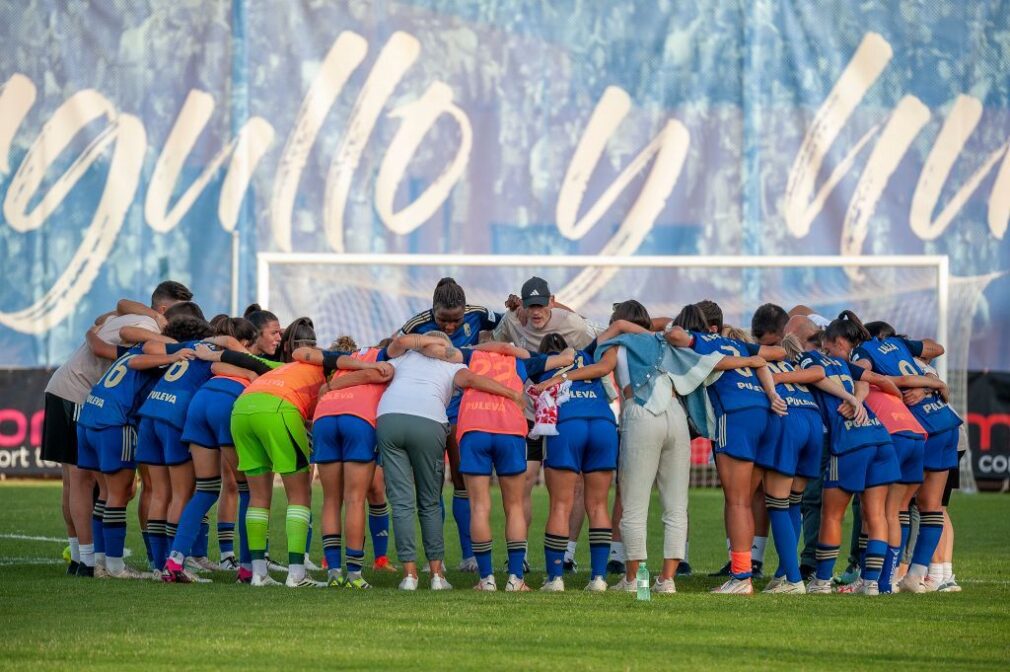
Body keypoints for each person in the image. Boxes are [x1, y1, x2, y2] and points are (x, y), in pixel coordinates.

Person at [562, 302, 761, 594]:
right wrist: (750, 362)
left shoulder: (617, 343)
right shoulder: (668, 341)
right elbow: (711, 363)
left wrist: (562, 377)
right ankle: (666, 581)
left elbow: (600, 365)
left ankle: (636, 582)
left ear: (620, 322)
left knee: (634, 504)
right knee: (676, 505)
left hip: (640, 415)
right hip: (676, 418)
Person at [42, 281, 192, 576]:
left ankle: (83, 558)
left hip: (68, 389)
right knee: (84, 481)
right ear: (164, 311)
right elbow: (125, 343)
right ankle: (90, 561)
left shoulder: (137, 315)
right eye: (179, 313)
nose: (182, 320)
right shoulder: (149, 326)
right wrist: (172, 349)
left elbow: (111, 314)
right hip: (79, 393)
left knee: (76, 481)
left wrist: (92, 334)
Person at [231, 318, 388, 588]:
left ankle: (257, 573)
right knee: (300, 494)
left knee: (257, 496)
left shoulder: (291, 366)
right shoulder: (327, 368)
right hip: (278, 407)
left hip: (242, 408)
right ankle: (296, 574)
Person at [376, 332, 521, 591]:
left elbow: (381, 367)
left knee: (400, 502)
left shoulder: (403, 358)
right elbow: (475, 380)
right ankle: (436, 576)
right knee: (430, 502)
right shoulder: (454, 364)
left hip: (388, 418)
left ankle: (409, 576)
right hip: (429, 420)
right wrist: (511, 393)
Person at [665, 300, 787, 594]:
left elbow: (674, 336)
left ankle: (741, 576)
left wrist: (685, 334)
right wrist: (768, 387)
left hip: (736, 416)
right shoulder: (737, 344)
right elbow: (779, 352)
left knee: (738, 501)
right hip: (766, 414)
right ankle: (768, 572)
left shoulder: (699, 341)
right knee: (754, 500)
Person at [839, 312, 962, 593]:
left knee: (891, 509)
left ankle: (883, 577)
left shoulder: (862, 352)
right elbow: (936, 349)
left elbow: (867, 374)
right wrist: (932, 382)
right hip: (947, 423)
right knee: (931, 506)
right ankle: (914, 576)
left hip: (919, 426)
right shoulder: (901, 347)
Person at [74, 303, 200, 579]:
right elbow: (137, 361)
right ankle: (117, 567)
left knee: (107, 494)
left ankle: (100, 562)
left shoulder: (140, 344)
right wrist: (174, 353)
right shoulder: (161, 350)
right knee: (120, 493)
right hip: (113, 422)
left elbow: (125, 343)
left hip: (89, 416)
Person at [494, 276, 600, 571]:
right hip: (528, 414)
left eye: (541, 305)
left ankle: (566, 554)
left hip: (564, 415)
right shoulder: (512, 322)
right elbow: (495, 349)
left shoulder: (575, 325)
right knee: (522, 481)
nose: (536, 312)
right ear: (522, 306)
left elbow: (601, 350)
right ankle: (520, 554)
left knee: (573, 484)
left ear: (552, 302)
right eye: (531, 307)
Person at [161, 318, 278, 583]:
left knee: (206, 488)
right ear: (249, 341)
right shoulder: (252, 360)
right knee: (249, 489)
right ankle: (248, 569)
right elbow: (253, 374)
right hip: (227, 404)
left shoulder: (212, 355)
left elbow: (220, 355)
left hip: (200, 402)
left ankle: (174, 560)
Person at [398, 278, 502, 573]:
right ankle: (437, 558)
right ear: (433, 311)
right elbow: (391, 347)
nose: (451, 326)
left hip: (462, 408)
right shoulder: (416, 324)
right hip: (427, 408)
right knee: (430, 486)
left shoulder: (480, 313)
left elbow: (512, 322)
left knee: (461, 479)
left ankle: (469, 555)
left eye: (456, 320)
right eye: (444, 319)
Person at [134, 308, 247, 575]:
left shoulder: (186, 347)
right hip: (174, 417)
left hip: (150, 413)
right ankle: (175, 566)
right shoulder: (210, 353)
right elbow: (238, 364)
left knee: (160, 492)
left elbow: (144, 349)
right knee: (182, 494)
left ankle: (159, 563)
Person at [801, 320, 900, 596]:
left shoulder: (809, 359)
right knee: (876, 513)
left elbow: (816, 376)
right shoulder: (846, 364)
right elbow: (869, 382)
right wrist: (857, 397)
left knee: (832, 514)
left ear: (825, 344)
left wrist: (850, 398)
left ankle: (821, 581)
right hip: (879, 436)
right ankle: (870, 583)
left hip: (849, 440)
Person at [298, 338, 394, 589]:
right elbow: (381, 374)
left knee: (331, 499)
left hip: (325, 417)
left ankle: (333, 572)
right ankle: (354, 575)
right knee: (354, 499)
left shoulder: (341, 361)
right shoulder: (385, 357)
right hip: (358, 419)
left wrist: (331, 386)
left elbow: (303, 352)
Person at [526, 332, 617, 592]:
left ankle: (555, 578)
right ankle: (598, 578)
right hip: (603, 422)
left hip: (567, 424)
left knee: (561, 505)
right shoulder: (588, 355)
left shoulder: (540, 364)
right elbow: (609, 331)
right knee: (599, 504)